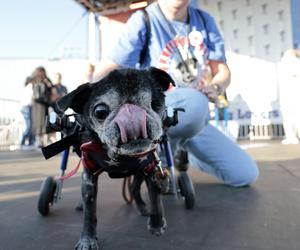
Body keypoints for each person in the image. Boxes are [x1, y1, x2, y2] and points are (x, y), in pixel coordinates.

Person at [94, 0, 258, 187]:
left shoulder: (204, 20)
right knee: (196, 102)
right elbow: (105, 70)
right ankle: (150, 158)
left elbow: (223, 71)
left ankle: (180, 150)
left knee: (245, 174)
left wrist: (216, 87)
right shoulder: (144, 19)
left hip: (193, 118)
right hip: (157, 114)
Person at [279, 49, 300, 144]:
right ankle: (291, 136)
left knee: (294, 115)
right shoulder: (285, 63)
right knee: (290, 115)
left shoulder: (293, 62)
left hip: (293, 93)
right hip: (288, 93)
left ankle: (291, 136)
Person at [31, 66, 53, 148]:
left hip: (44, 104)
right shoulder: (33, 80)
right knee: (38, 123)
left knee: (45, 123)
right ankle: (38, 142)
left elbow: (51, 87)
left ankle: (43, 142)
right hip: (37, 104)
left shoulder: (46, 80)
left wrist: (47, 82)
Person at [20, 76, 35, 149]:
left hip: (25, 107)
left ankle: (29, 142)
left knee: (30, 126)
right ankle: (23, 142)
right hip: (27, 107)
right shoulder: (30, 87)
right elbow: (33, 97)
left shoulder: (25, 88)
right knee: (29, 126)